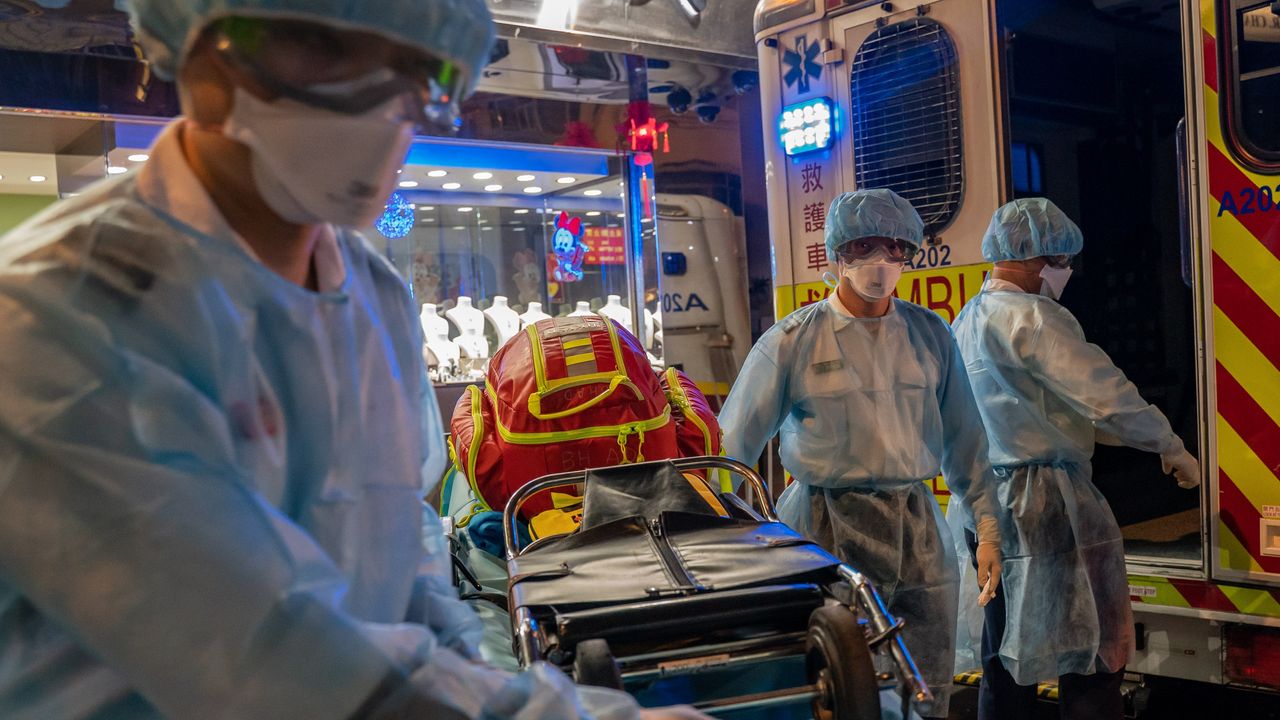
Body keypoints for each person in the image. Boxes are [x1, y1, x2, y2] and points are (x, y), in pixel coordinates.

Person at [0, 2, 703, 719]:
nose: (382, 105)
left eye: (414, 71)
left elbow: (409, 567)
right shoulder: (56, 319)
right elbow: (273, 665)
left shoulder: (371, 293)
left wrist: (489, 670)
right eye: (330, 54)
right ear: (208, 60)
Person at [719, 188, 1004, 719]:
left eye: (896, 248)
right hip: (825, 532)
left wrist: (988, 526)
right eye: (865, 246)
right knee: (841, 689)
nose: (882, 262)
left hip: (916, 530)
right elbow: (732, 450)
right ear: (837, 254)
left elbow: (966, 442)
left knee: (925, 684)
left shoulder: (930, 335)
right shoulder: (793, 341)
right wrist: (728, 540)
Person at [949, 198, 1201, 720]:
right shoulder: (1034, 318)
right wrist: (1169, 445)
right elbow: (1104, 396)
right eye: (1059, 260)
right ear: (1032, 257)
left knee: (1003, 656)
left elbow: (1040, 410)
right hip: (1045, 502)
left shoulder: (967, 320)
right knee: (1090, 648)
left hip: (984, 506)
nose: (1064, 271)